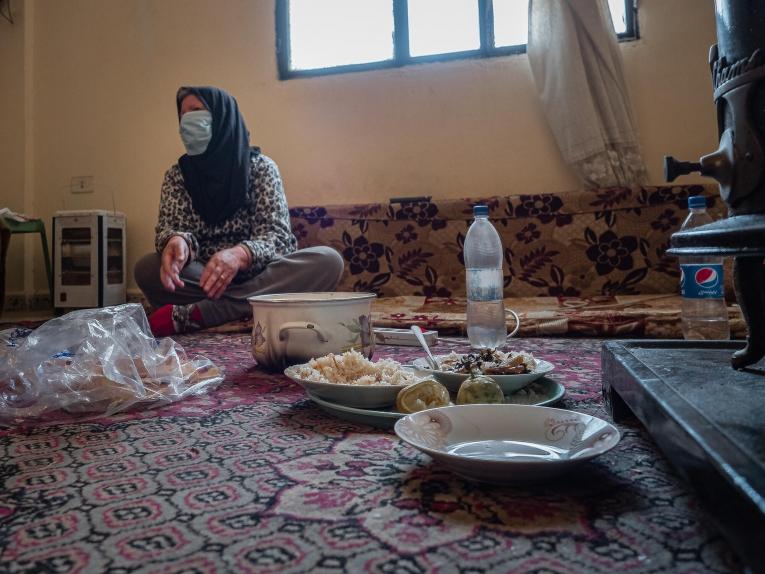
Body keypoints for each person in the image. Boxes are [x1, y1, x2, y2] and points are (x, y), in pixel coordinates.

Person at [134, 86, 344, 336]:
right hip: (205, 278)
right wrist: (176, 241)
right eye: (182, 114)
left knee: (328, 261)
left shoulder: (261, 167)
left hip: (263, 272)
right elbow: (170, 227)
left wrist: (239, 254)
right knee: (147, 268)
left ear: (223, 116)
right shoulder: (177, 175)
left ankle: (204, 312)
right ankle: (248, 303)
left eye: (196, 110)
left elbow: (276, 237)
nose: (186, 120)